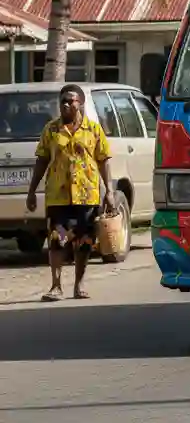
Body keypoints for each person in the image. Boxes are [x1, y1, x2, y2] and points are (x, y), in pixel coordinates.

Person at [26, 84, 116, 302]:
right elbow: (42, 160)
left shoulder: (94, 130)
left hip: (87, 196)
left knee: (84, 241)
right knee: (58, 240)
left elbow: (103, 161)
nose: (65, 104)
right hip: (59, 196)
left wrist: (109, 192)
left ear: (81, 103)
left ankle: (79, 284)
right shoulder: (51, 130)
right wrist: (31, 191)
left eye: (70, 101)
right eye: (63, 101)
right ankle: (56, 286)